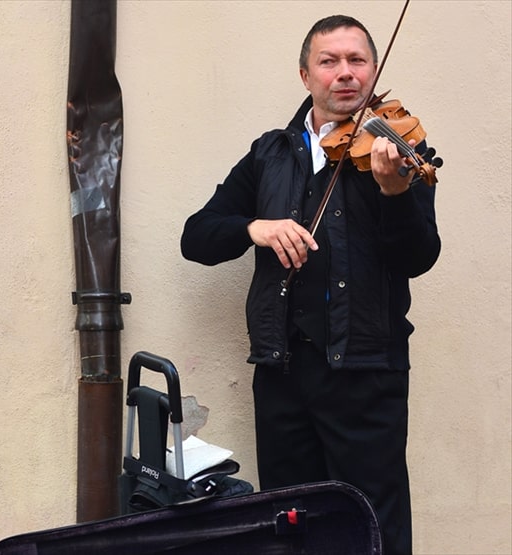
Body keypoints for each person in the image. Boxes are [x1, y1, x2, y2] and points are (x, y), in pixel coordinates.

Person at [180, 15, 440, 555]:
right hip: (284, 374)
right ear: (305, 76)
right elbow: (197, 237)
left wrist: (395, 195)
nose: (344, 73)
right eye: (329, 61)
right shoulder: (270, 154)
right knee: (291, 524)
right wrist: (255, 227)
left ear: (372, 70)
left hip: (367, 373)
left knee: (375, 527)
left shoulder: (396, 151)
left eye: (356, 60)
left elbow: (418, 257)